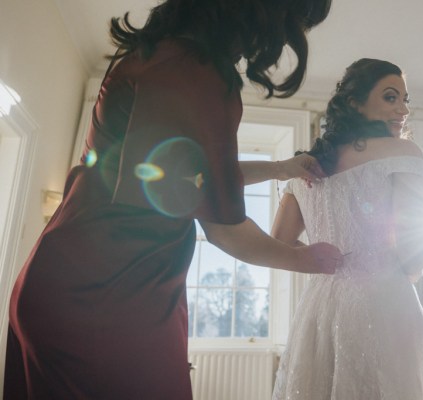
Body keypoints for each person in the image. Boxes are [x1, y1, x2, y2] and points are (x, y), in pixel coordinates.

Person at [3, 0, 342, 398]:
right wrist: (304, 259)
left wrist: (280, 168)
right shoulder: (201, 77)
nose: (288, 39)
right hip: (111, 295)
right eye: (294, 23)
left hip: (68, 280)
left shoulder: (154, 55)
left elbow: (186, 176)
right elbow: (225, 231)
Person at [271, 58, 423, 399]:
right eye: (390, 97)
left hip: (318, 309)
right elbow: (414, 250)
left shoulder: (306, 166)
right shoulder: (404, 152)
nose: (403, 109)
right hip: (382, 300)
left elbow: (279, 244)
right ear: (355, 102)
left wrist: (318, 260)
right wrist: (403, 274)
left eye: (405, 99)